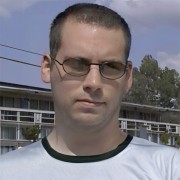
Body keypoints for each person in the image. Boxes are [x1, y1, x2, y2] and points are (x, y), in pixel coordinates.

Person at [0, 3, 179, 180]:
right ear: (47, 68)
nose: (93, 82)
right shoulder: (6, 172)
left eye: (110, 66)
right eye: (77, 64)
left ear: (128, 77)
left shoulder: (169, 169)